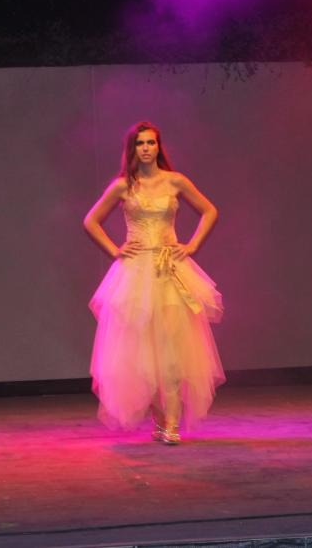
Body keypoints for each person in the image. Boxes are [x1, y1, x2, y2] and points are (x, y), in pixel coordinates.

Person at [83, 121, 225, 445]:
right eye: (140, 143)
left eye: (151, 142)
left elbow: (209, 211)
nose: (146, 148)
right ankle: (160, 420)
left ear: (159, 146)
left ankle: (172, 424)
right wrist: (115, 250)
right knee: (141, 356)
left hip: (170, 271)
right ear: (132, 149)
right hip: (136, 275)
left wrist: (192, 245)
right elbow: (91, 220)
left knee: (172, 353)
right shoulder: (123, 186)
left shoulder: (175, 181)